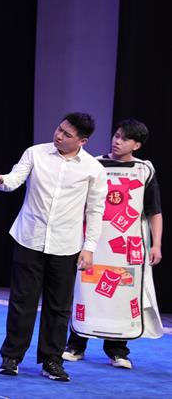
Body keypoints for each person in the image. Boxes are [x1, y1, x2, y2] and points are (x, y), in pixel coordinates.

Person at [0, 112, 107, 382]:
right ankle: (12, 356)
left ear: (82, 141)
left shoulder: (93, 169)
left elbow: (96, 210)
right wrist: (1, 180)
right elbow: (14, 179)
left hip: (66, 244)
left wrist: (89, 247)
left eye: (67, 134)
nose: (58, 136)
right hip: (30, 238)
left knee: (59, 306)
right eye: (59, 129)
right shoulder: (35, 153)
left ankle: (52, 360)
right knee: (22, 302)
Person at [63, 119, 164, 369]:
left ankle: (117, 350)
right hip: (94, 241)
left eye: (124, 139)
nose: (117, 141)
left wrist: (156, 245)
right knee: (85, 291)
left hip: (127, 246)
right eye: (116, 135)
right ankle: (76, 345)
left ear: (136, 145)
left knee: (122, 293)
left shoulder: (144, 170)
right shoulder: (94, 164)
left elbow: (154, 211)